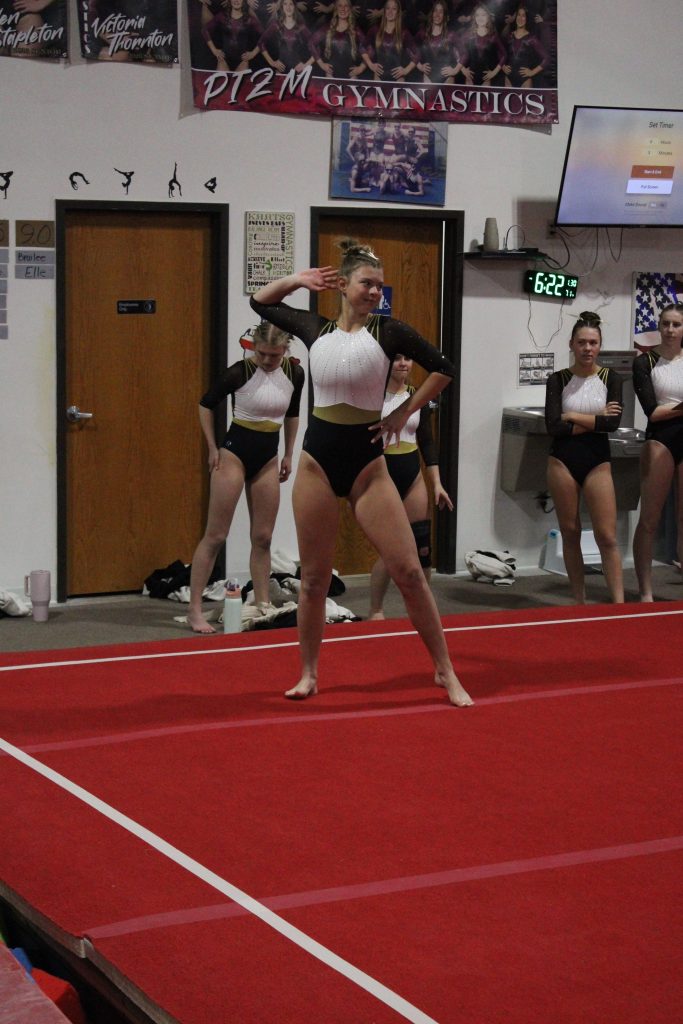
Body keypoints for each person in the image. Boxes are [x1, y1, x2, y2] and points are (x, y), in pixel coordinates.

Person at [250, 239, 473, 706]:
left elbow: (444, 368)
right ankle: (309, 674)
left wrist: (403, 410)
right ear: (343, 285)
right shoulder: (314, 329)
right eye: (366, 283)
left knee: (409, 571)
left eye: (379, 286)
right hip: (316, 465)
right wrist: (297, 280)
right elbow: (260, 302)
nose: (375, 292)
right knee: (313, 580)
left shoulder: (389, 332)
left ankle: (444, 670)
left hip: (369, 469)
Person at [187, 323, 304, 635]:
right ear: (254, 347)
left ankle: (263, 602)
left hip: (268, 458)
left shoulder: (295, 373)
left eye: (274, 355)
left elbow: (292, 413)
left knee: (263, 537)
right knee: (216, 535)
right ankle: (194, 609)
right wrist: (212, 448)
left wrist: (289, 453)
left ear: (285, 350)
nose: (266, 360)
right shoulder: (239, 372)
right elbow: (205, 404)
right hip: (233, 455)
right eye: (261, 353)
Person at [544, 312, 624, 604]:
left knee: (607, 536)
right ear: (572, 345)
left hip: (597, 461)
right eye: (582, 343)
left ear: (600, 346)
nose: (587, 348)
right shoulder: (558, 379)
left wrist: (572, 416)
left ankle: (619, 604)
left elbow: (611, 424)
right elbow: (553, 426)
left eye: (593, 343)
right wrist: (595, 418)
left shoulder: (611, 378)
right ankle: (579, 601)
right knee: (570, 531)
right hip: (562, 461)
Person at [368, 353, 452, 619]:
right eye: (397, 359)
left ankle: (422, 610)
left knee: (422, 547)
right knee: (392, 550)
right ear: (386, 363)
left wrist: (437, 483)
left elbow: (426, 441)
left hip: (412, 475)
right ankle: (376, 610)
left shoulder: (417, 396)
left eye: (408, 359)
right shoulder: (373, 397)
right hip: (383, 476)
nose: (403, 364)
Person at [632, 302, 683, 601]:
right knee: (649, 519)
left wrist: (673, 409)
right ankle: (646, 590)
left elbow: (666, 409)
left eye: (676, 324)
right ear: (659, 325)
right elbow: (652, 411)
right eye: (666, 324)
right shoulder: (645, 362)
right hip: (660, 439)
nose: (670, 330)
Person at [362, 0, 417, 82]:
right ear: (384, 11)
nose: (390, 11)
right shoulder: (375, 30)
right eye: (388, 8)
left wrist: (406, 70)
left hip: (398, 79)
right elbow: (362, 47)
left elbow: (417, 54)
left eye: (394, 9)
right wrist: (370, 65)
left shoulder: (404, 33)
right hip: (378, 77)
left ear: (398, 12)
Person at [312, 0, 366, 78]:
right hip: (331, 76)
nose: (343, 9)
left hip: (351, 77)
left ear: (350, 9)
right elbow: (311, 43)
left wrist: (361, 68)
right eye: (340, 6)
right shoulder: (327, 28)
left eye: (346, 6)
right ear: (336, 9)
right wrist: (321, 64)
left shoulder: (355, 30)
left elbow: (369, 48)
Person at [259, 0, 314, 73]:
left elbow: (316, 46)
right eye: (285, 4)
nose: (288, 7)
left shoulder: (301, 27)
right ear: (282, 7)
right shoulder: (276, 25)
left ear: (294, 7)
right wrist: (272, 62)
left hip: (297, 71)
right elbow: (261, 43)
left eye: (291, 4)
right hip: (280, 69)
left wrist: (306, 65)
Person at [501, 3, 546, 87]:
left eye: (523, 16)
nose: (520, 18)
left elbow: (546, 58)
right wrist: (502, 66)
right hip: (508, 79)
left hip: (525, 81)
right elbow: (498, 51)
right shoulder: (509, 35)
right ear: (515, 17)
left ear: (526, 19)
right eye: (518, 15)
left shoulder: (532, 38)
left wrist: (532, 72)